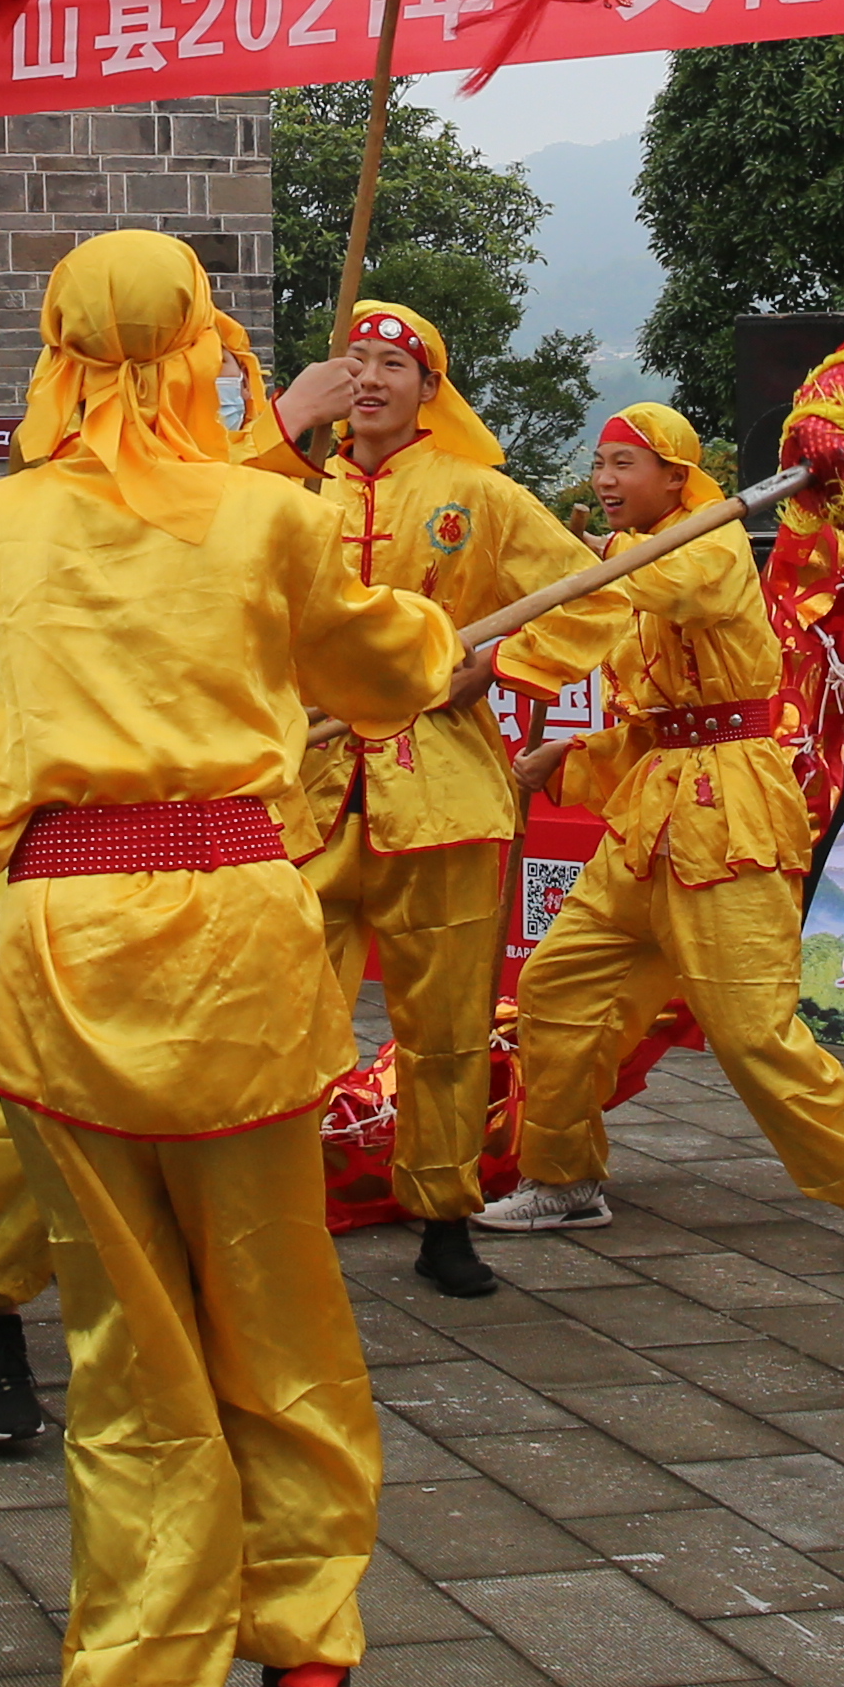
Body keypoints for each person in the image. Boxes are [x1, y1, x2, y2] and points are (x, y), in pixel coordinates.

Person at [0, 234, 444, 1687]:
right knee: (284, 1314)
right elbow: (391, 668)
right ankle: (307, 1669)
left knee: (129, 1352)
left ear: (53, 346)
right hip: (244, 948)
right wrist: (434, 642)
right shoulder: (276, 509)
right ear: (205, 345)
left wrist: (33, 793)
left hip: (61, 955)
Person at [476, 407, 844, 1275]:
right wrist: (573, 755)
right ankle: (564, 1178)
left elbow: (663, 589)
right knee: (557, 986)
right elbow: (662, 717)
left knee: (750, 1028)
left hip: (729, 813)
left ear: (672, 474)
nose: (606, 481)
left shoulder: (708, 542)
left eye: (624, 465)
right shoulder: (644, 560)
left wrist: (573, 566)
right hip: (654, 812)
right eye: (600, 465)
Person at [294, 302, 589, 1300]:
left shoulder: (478, 494)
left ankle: (445, 1213)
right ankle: (274, 1207)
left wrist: (504, 657)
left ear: (432, 390)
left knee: (449, 1025)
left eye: (396, 364)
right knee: (282, 1018)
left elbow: (597, 592)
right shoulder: (287, 494)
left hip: (447, 790)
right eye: (357, 362)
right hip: (306, 789)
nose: (371, 379)